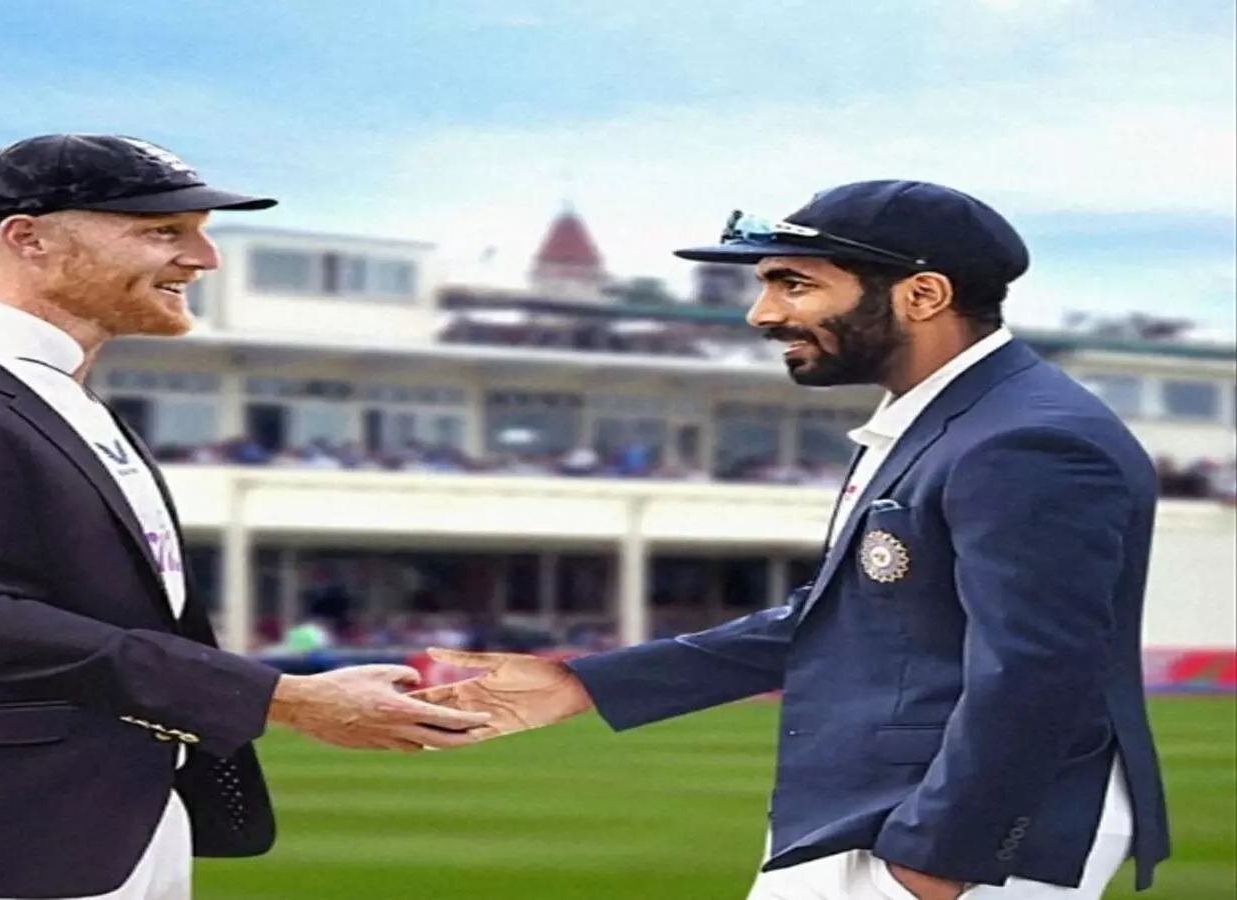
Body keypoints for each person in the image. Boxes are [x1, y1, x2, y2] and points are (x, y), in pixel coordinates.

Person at [415, 180, 1170, 899]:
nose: (762, 314)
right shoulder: (949, 419)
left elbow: (1040, 666)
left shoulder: (1026, 439)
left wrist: (937, 861)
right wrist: (586, 684)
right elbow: (846, 618)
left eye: (795, 284)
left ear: (922, 296)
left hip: (943, 840)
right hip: (875, 816)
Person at [0, 133, 488, 900]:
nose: (203, 259)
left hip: (120, 818)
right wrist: (281, 698)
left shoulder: (69, 403)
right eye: (163, 231)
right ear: (29, 239)